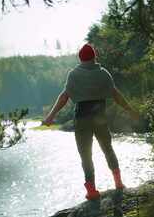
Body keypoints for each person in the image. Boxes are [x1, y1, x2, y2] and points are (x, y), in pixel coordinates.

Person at [42, 43, 139, 200]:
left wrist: (51, 116)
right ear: (95, 57)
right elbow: (116, 94)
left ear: (80, 58)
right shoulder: (103, 74)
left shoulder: (74, 74)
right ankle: (119, 182)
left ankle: (92, 190)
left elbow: (64, 97)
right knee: (108, 149)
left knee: (86, 156)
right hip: (99, 117)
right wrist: (130, 110)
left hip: (82, 119)